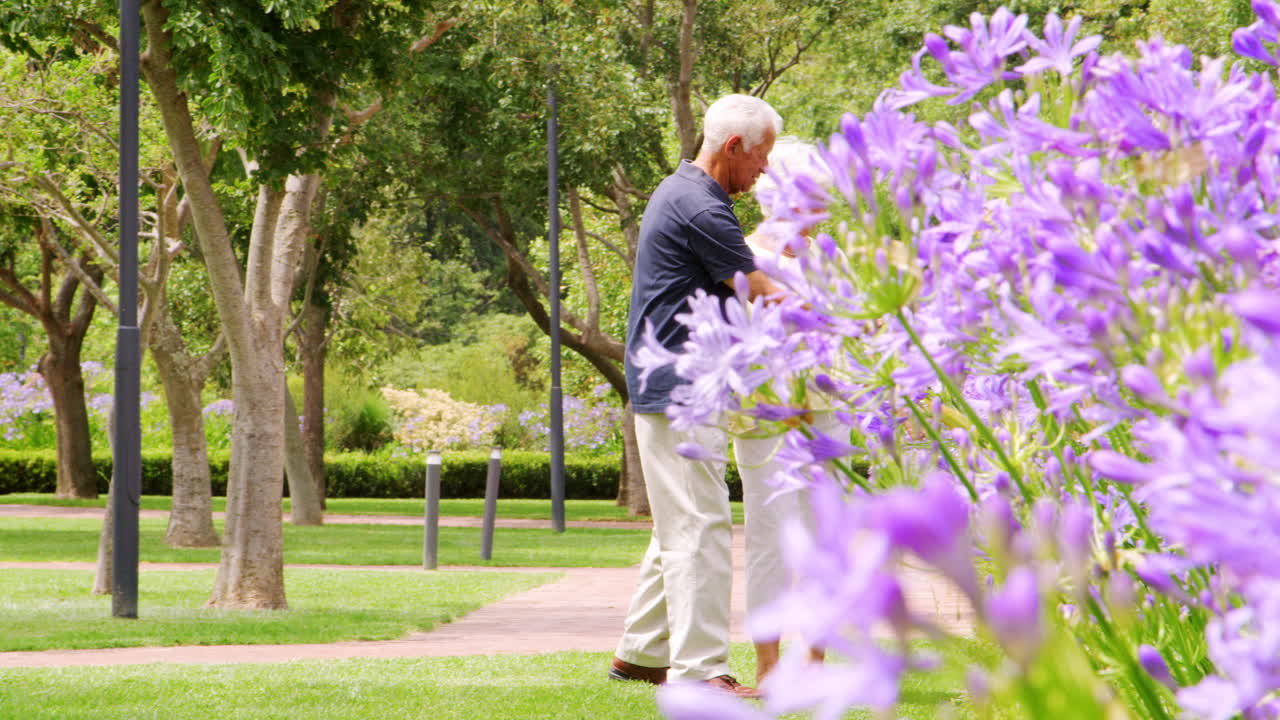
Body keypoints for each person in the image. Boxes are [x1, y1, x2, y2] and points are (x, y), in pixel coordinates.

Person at [610, 94, 785, 699]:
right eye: (761, 157)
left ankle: (641, 652)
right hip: (680, 387)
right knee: (699, 529)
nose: (764, 170)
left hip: (682, 383)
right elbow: (763, 291)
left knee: (678, 524)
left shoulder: (684, 191)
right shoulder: (701, 207)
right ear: (734, 147)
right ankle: (700, 672)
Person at [734, 138, 834, 686]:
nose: (821, 209)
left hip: (827, 412)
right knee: (768, 538)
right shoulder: (744, 257)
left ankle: (815, 664)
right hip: (765, 412)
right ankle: (769, 667)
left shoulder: (830, 259)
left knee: (824, 538)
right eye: (813, 197)